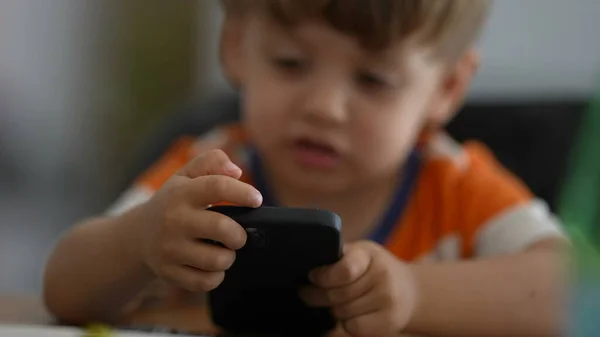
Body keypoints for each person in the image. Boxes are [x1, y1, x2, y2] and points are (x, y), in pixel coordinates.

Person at [43, 1, 569, 336]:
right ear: (236, 46)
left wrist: (415, 292)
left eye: (373, 80)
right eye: (291, 63)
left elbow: (575, 296)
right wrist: (140, 240)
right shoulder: (206, 175)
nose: (324, 106)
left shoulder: (454, 185)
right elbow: (63, 292)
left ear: (446, 88)